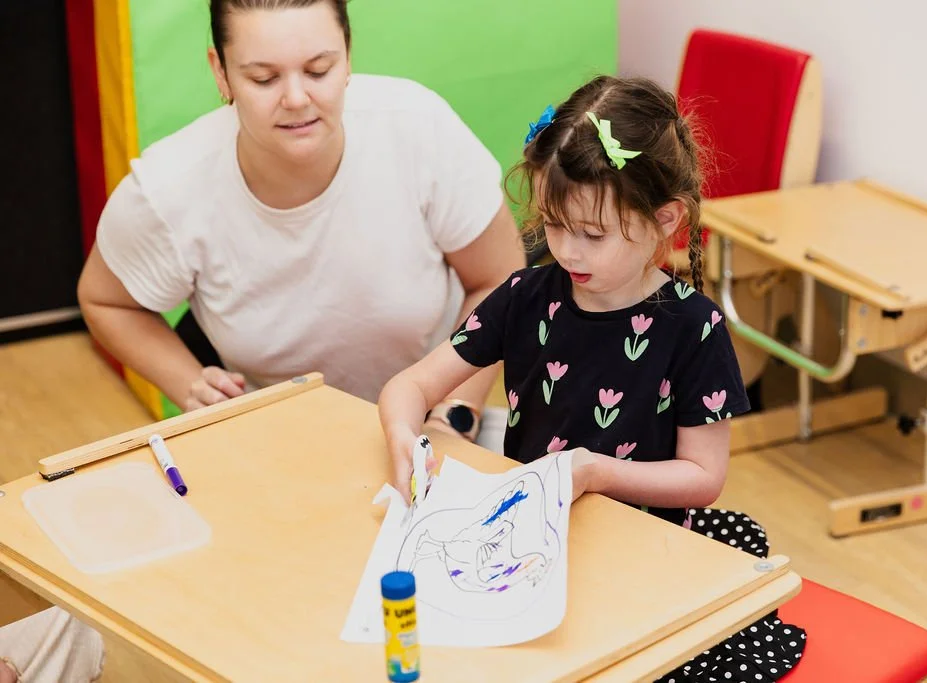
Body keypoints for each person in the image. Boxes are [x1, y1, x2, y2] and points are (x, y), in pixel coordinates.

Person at [378, 75, 806, 682]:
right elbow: (411, 386)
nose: (567, 251)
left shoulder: (694, 327)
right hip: (528, 547)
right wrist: (405, 436)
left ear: (664, 219)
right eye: (554, 226)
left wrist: (597, 471)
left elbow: (704, 477)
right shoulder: (526, 295)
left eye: (593, 235)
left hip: (638, 551)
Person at [77, 0, 525, 447]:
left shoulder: (418, 130)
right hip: (274, 440)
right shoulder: (170, 189)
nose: (295, 99)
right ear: (221, 72)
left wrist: (450, 418)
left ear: (348, 57)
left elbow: (498, 282)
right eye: (263, 78)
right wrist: (190, 383)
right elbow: (106, 301)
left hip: (433, 419)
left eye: (318, 71)